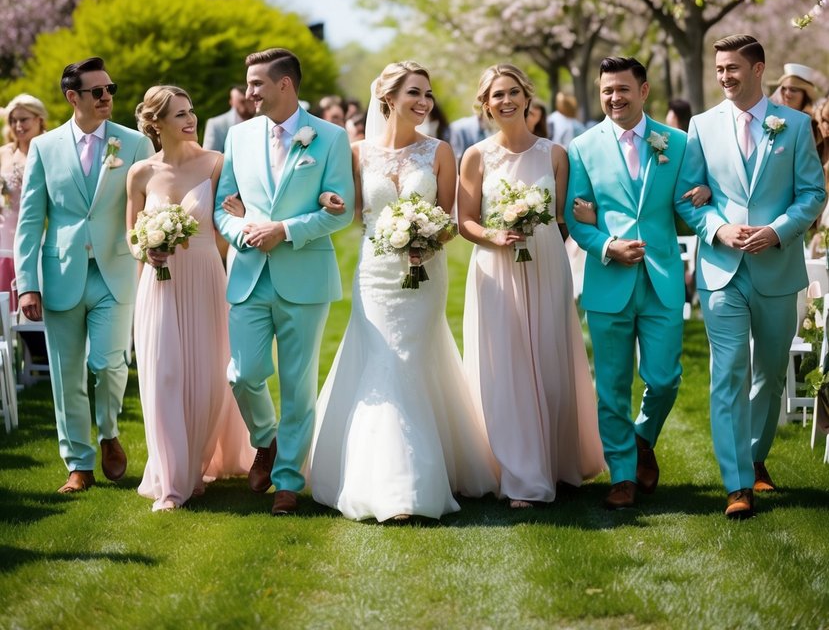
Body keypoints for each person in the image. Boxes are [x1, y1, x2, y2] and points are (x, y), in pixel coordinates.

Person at [309, 61, 498, 521]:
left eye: (428, 94)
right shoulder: (356, 152)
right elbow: (348, 210)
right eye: (415, 92)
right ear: (388, 98)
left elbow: (451, 220)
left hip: (425, 272)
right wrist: (326, 200)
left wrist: (426, 239)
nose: (424, 102)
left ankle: (416, 481)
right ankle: (388, 482)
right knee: (383, 360)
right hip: (375, 274)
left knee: (413, 358)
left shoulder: (440, 151)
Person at [675, 34, 826, 519]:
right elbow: (687, 197)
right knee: (729, 371)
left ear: (759, 70)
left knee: (769, 372)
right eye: (719, 68)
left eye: (733, 68)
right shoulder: (701, 125)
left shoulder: (797, 126)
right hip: (722, 270)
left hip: (778, 268)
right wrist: (718, 229)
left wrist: (778, 231)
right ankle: (737, 483)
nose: (724, 76)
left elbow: (812, 193)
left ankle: (756, 452)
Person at [214, 47, 355, 515]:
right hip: (250, 273)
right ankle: (267, 440)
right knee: (244, 373)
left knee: (297, 384)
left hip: (304, 274)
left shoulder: (330, 138)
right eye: (248, 83)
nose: (248, 92)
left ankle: (289, 481)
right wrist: (247, 232)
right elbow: (222, 207)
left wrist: (286, 230)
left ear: (285, 85)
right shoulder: (237, 137)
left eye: (256, 83)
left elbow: (342, 212)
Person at [459, 63, 603, 507]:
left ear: (527, 97)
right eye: (496, 95)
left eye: (512, 92)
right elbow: (464, 221)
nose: (505, 101)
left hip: (546, 264)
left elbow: (563, 218)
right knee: (508, 368)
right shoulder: (476, 156)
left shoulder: (555, 154)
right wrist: (494, 235)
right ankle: (520, 475)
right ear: (485, 105)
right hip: (495, 267)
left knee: (550, 363)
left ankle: (556, 463)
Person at [14, 58, 154, 493]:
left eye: (110, 87)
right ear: (73, 97)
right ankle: (78, 462)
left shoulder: (133, 144)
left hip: (116, 270)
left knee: (109, 363)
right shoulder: (45, 147)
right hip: (61, 272)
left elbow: (151, 205)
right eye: (97, 91)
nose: (107, 96)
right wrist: (28, 283)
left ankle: (109, 431)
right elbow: (30, 219)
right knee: (65, 372)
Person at [565, 56, 687, 511]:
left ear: (644, 90)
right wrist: (606, 245)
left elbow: (687, 202)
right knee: (612, 384)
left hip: (663, 279)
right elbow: (574, 219)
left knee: (665, 378)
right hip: (608, 278)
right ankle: (621, 475)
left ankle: (640, 440)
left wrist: (703, 196)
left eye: (622, 89)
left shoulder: (676, 142)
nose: (614, 98)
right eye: (606, 91)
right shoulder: (581, 147)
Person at [127, 85, 254, 512]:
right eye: (179, 114)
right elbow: (131, 239)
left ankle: (195, 465)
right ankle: (171, 482)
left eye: (191, 110)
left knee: (205, 380)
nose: (190, 119)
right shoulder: (141, 173)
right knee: (163, 377)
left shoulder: (216, 164)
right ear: (156, 123)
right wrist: (147, 247)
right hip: (159, 283)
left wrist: (239, 217)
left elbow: (228, 226)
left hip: (204, 277)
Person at [1, 94, 48, 309]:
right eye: (13, 120)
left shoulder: (51, 150)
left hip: (38, 241)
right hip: (4, 241)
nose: (18, 125)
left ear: (39, 119)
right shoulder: (4, 154)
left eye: (24, 119)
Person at [202, 85, 253, 153]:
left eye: (249, 101)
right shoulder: (216, 124)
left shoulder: (265, 121)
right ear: (231, 102)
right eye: (242, 101)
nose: (247, 105)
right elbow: (209, 158)